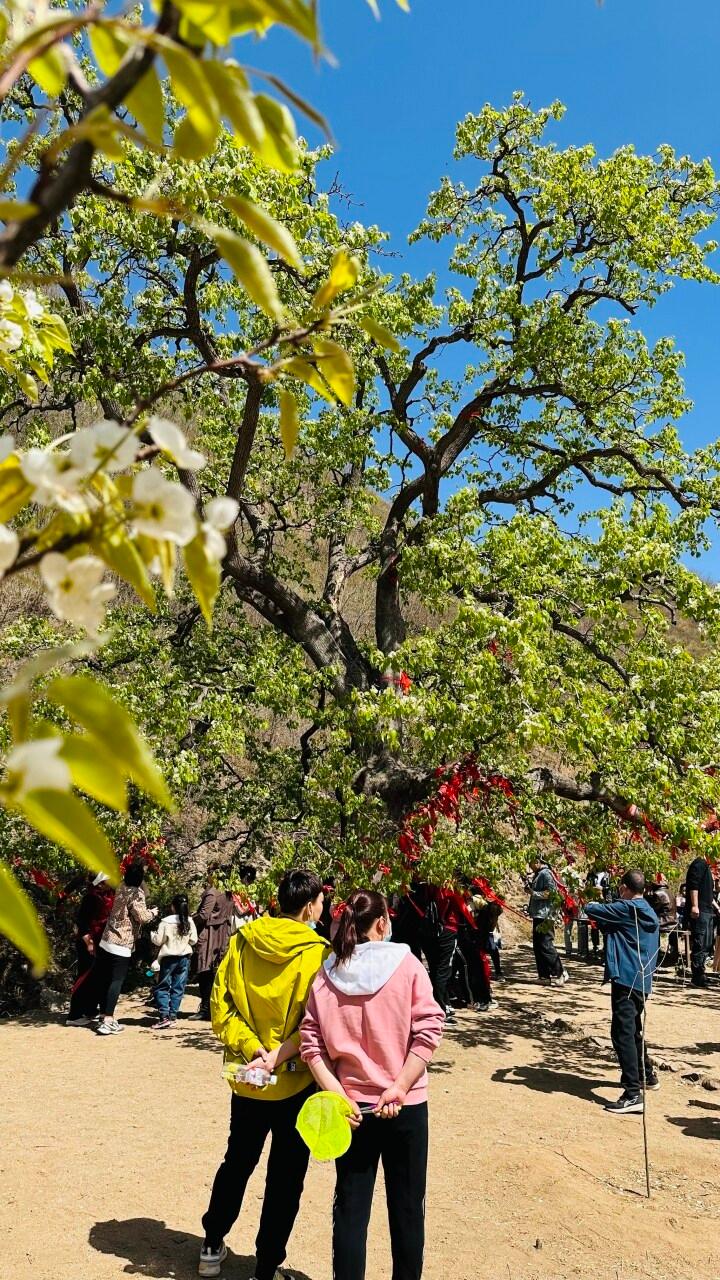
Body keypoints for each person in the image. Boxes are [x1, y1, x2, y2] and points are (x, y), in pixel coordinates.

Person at [300, 889, 445, 1280]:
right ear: (383, 922)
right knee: (408, 1209)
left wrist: (334, 1091)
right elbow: (429, 1029)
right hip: (405, 1106)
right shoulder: (408, 965)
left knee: (350, 1207)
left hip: (352, 1111)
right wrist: (399, 1085)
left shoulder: (327, 972)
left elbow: (310, 1042)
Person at [198, 869, 328, 1280]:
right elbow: (319, 1021)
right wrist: (277, 1054)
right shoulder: (319, 953)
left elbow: (222, 1009)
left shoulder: (241, 942)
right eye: (321, 901)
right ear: (308, 906)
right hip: (296, 1082)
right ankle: (266, 1266)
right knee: (286, 1178)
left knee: (237, 1160)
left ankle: (211, 1242)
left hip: (249, 1080)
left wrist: (254, 1049)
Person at [585, 869, 660, 1115]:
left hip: (628, 979)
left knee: (622, 1033)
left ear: (624, 888)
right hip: (641, 980)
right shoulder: (646, 910)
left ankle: (632, 1093)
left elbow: (592, 909)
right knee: (633, 1030)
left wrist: (588, 897)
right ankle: (646, 1075)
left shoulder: (627, 909)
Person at [89, 858, 158, 1036]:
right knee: (116, 981)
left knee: (105, 979)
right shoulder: (136, 893)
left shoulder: (120, 887)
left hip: (107, 939)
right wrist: (153, 913)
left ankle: (103, 1014)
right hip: (122, 943)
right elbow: (142, 917)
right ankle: (108, 1020)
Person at [66, 872, 115, 1026]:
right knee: (85, 977)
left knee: (97, 978)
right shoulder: (91, 898)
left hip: (102, 941)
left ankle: (90, 1010)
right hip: (89, 943)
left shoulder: (107, 896)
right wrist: (89, 942)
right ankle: (74, 1015)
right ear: (100, 883)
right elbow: (82, 923)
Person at [151, 893, 198, 1029]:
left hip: (168, 958)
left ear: (173, 907)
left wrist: (152, 936)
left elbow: (159, 940)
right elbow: (193, 940)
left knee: (162, 986)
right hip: (184, 958)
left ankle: (164, 1016)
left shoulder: (166, 921)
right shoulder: (189, 921)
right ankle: (172, 1016)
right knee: (178, 987)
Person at [194, 869, 235, 1020]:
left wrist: (190, 920)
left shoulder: (212, 892)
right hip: (223, 934)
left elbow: (204, 915)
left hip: (210, 934)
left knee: (204, 969)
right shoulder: (228, 893)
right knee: (214, 970)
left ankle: (206, 1008)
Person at [527, 858, 568, 986]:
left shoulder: (546, 873)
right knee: (538, 946)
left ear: (538, 861)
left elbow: (551, 892)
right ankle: (544, 975)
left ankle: (561, 972)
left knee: (545, 944)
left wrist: (533, 894)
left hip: (546, 915)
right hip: (539, 914)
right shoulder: (539, 874)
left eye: (531, 862)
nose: (529, 866)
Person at [685, 853, 715, 987]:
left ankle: (701, 973)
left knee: (707, 943)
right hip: (700, 910)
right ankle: (697, 976)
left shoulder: (707, 867)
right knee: (700, 942)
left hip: (708, 910)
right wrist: (695, 905)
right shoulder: (699, 864)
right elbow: (693, 886)